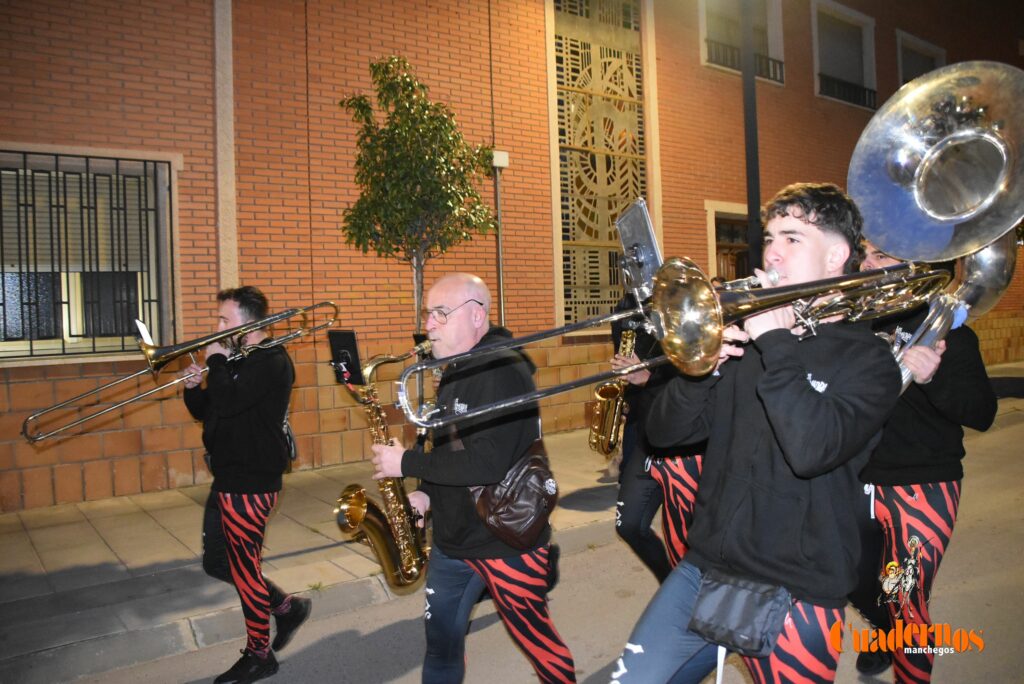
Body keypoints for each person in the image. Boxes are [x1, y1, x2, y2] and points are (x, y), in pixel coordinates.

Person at [611, 182, 902, 683]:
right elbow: (663, 433)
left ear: (836, 255)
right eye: (769, 237)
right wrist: (699, 370)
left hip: (799, 589)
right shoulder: (745, 341)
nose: (770, 251)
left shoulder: (869, 359)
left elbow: (812, 449)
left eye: (792, 238)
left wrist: (776, 340)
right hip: (705, 568)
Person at [371, 273, 576, 683]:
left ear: (477, 316)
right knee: (442, 645)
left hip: (505, 540)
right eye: (429, 313)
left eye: (441, 313)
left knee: (540, 647)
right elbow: (451, 447)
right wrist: (426, 496)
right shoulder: (456, 368)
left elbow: (488, 464)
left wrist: (407, 464)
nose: (429, 323)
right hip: (453, 542)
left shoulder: (502, 370)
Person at [849, 241, 997, 681]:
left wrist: (931, 377)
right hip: (855, 481)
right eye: (866, 253)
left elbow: (983, 413)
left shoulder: (952, 333)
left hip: (922, 486)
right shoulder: (858, 324)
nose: (867, 264)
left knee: (906, 601)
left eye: (881, 256)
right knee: (849, 583)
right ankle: (883, 632)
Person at [182, 286, 311, 684]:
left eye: (225, 320)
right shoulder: (240, 359)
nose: (217, 328)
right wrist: (192, 388)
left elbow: (233, 400)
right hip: (228, 476)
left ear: (250, 323)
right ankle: (287, 608)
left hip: (251, 482)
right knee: (218, 562)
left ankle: (260, 654)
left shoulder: (271, 361)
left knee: (244, 571)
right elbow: (212, 409)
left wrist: (217, 363)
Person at [608, 296, 703, 581]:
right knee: (629, 525)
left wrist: (648, 380)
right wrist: (627, 403)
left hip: (687, 442)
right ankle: (671, 584)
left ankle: (693, 591)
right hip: (645, 436)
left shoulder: (687, 322)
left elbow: (695, 390)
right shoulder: (627, 312)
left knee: (691, 533)